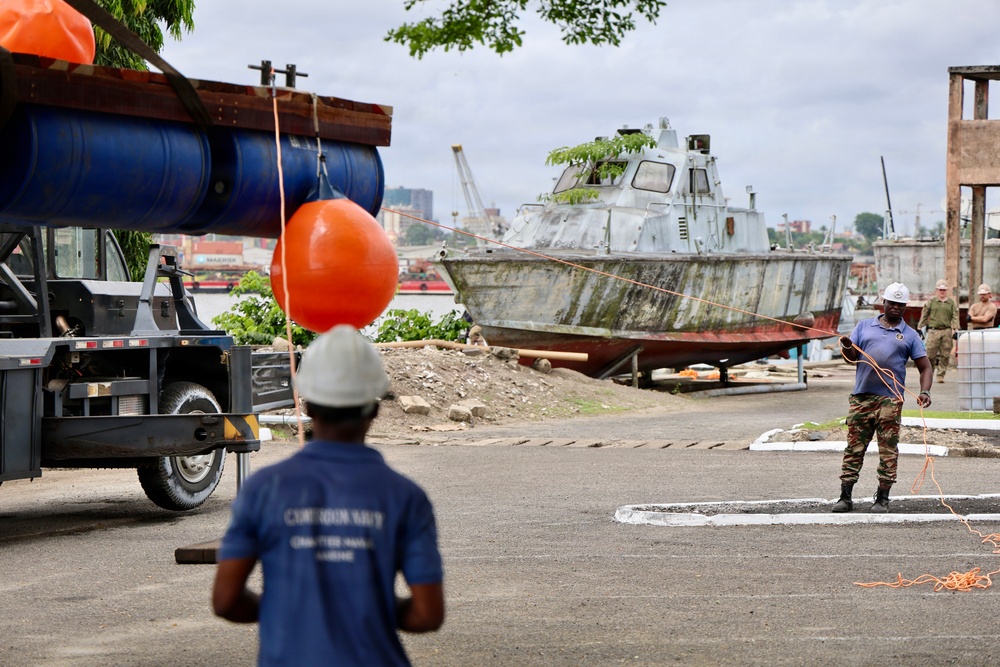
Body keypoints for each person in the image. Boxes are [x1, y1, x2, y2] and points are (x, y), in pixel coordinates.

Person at [212, 325, 445, 666]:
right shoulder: (406, 497)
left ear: (307, 406)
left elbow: (226, 600)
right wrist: (367, 608)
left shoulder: (263, 488)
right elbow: (427, 613)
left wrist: (288, 611)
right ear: (374, 409)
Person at [833, 282, 932, 514]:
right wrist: (847, 346)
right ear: (883, 302)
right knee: (854, 448)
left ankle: (882, 499)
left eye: (900, 304)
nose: (896, 307)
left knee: (888, 450)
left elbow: (925, 367)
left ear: (905, 307)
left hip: (891, 400)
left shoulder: (910, 335)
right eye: (892, 303)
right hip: (861, 398)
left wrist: (925, 391)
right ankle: (845, 497)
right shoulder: (863, 326)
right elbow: (852, 357)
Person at [917, 279, 959, 383]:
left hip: (946, 331)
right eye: (940, 290)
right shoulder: (931, 302)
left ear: (947, 290)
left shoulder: (951, 303)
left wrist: (956, 329)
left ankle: (941, 375)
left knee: (945, 355)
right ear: (937, 290)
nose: (942, 292)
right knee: (930, 354)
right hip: (933, 330)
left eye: (944, 290)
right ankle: (929, 373)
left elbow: (955, 316)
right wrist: (920, 327)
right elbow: (925, 314)